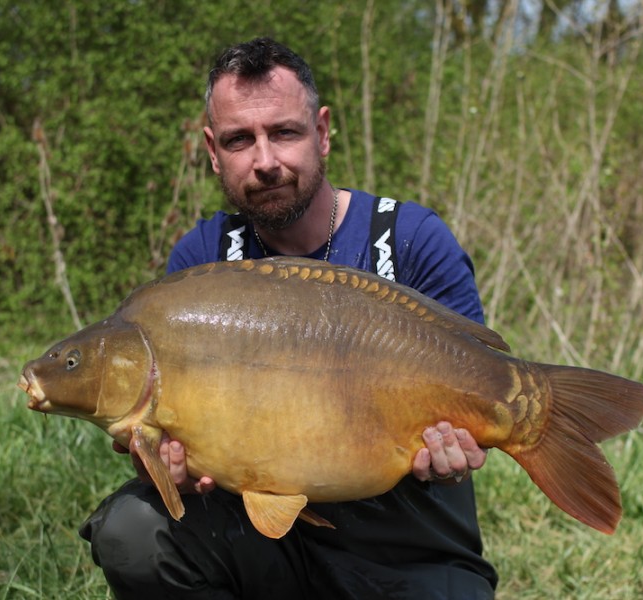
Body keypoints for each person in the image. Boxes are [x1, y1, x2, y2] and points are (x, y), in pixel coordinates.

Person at [80, 37, 498, 599]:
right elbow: (179, 451)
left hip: (409, 553)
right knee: (134, 528)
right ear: (211, 149)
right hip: (263, 551)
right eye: (239, 140)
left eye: (284, 132)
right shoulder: (201, 261)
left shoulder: (412, 241)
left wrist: (460, 446)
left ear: (322, 132)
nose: (265, 161)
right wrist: (169, 467)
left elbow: (486, 383)